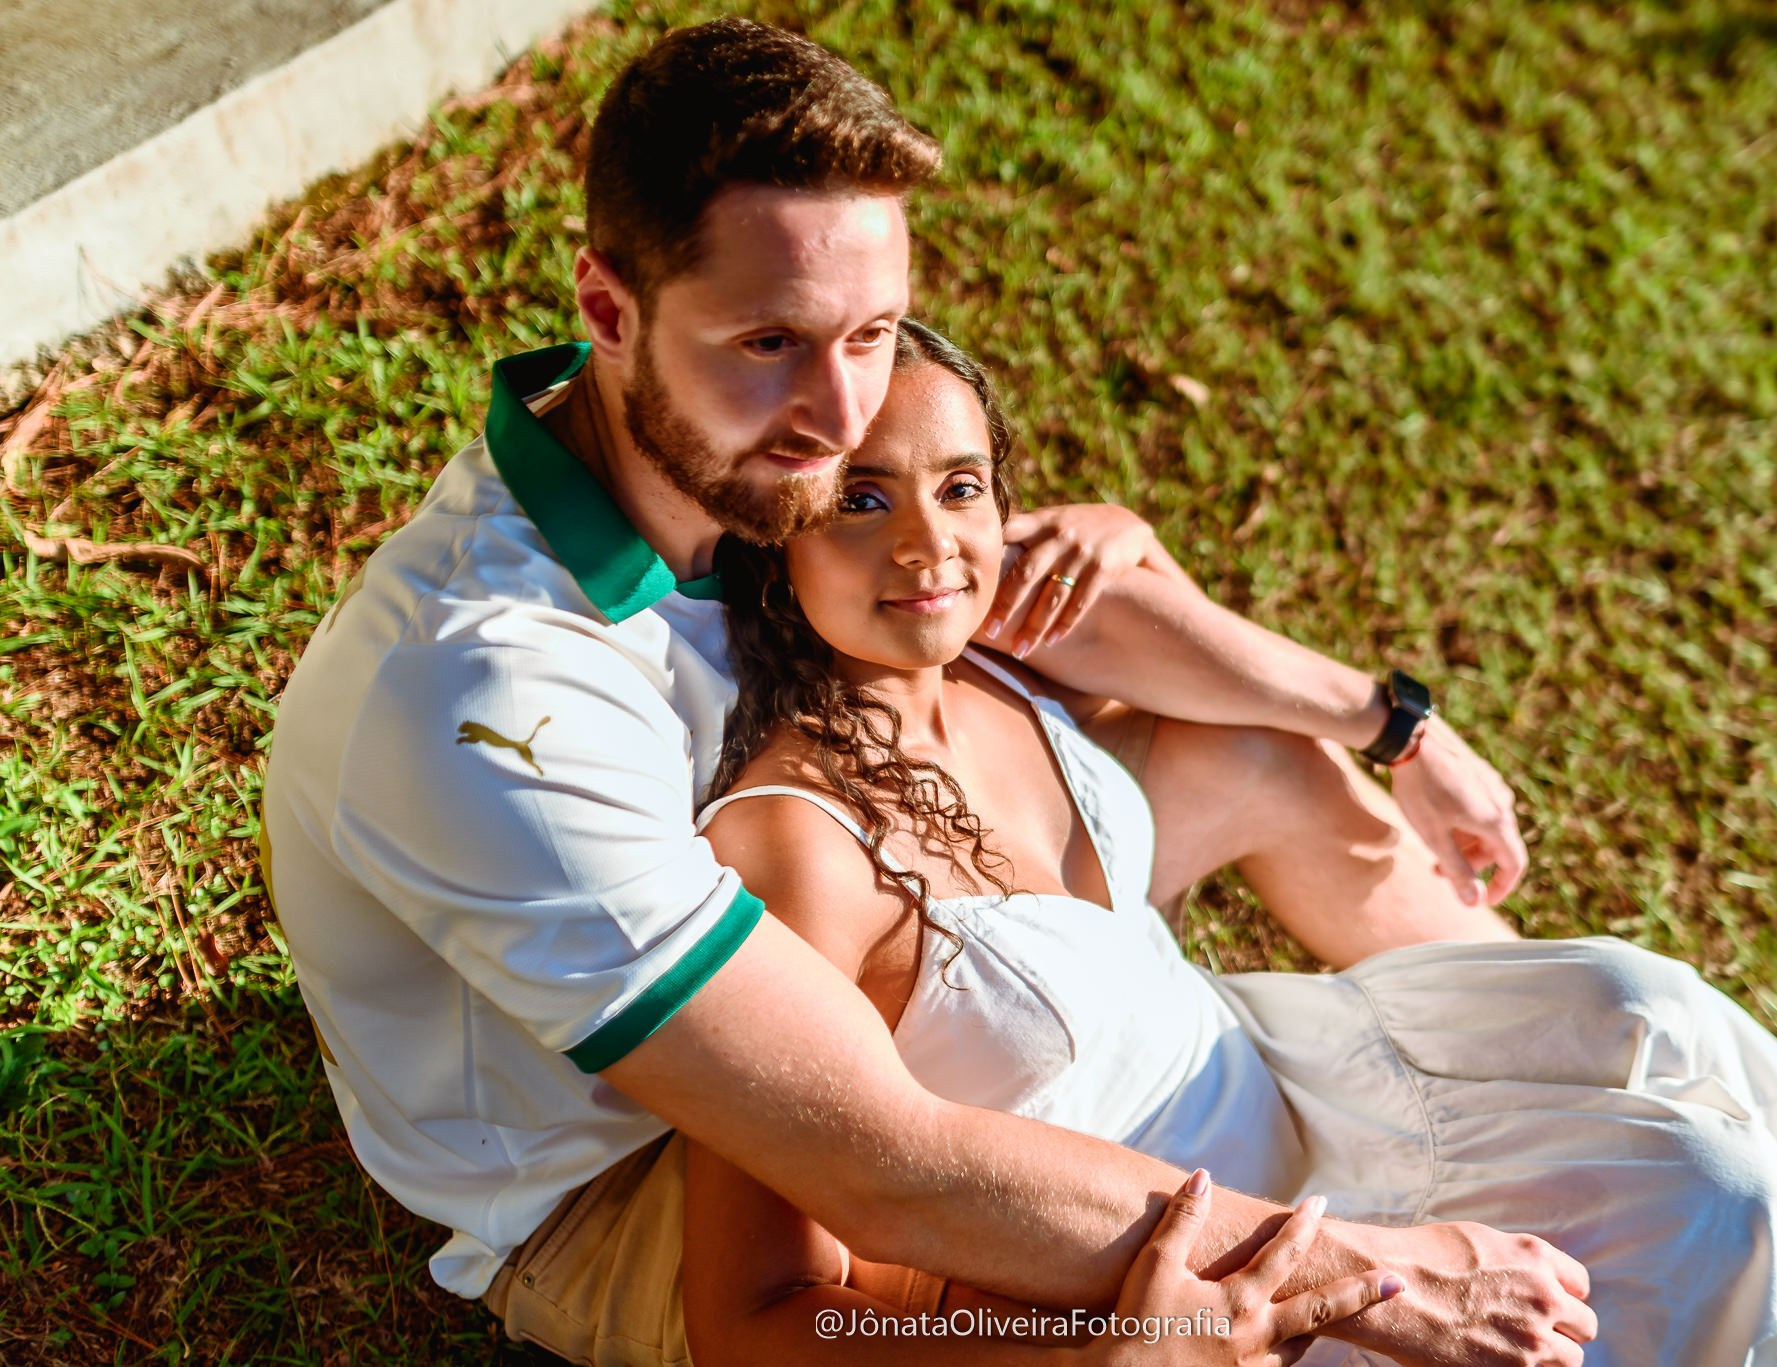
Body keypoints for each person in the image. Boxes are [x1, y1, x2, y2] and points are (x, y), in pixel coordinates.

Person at [261, 16, 1599, 1367]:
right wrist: (1371, 1279)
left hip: (842, 950)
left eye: (874, 333)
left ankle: (1556, 1070)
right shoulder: (489, 695)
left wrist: (1389, 720)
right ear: (609, 313)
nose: (842, 414)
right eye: (772, 339)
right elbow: (879, 1164)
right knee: (1161, 1335)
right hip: (637, 1161)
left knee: (1243, 755)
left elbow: (1034, 594)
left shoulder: (726, 455)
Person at [684, 320, 1777, 1367]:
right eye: (860, 499)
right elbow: (760, 1321)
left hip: (1305, 1083)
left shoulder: (1001, 661)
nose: (930, 544)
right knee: (1709, 1200)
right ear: (772, 524)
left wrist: (1141, 544)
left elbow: (1190, 652)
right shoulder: (796, 852)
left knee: (1656, 1033)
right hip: (1218, 1270)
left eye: (961, 486)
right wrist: (1091, 1349)